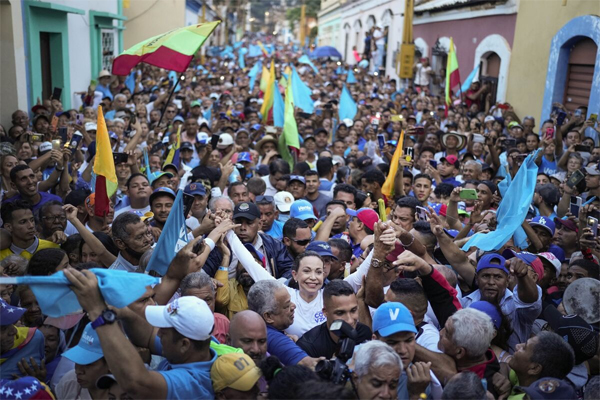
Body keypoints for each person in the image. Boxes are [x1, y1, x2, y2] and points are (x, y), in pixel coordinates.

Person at [65, 267, 218, 399]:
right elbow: (148, 336)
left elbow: (135, 382)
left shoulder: (191, 384)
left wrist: (98, 311)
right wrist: (124, 313)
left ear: (184, 344)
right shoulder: (203, 345)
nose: (158, 335)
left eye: (164, 333)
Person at [372, 302, 443, 399]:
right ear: (375, 340)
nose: (402, 350)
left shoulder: (422, 379)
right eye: (392, 342)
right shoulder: (360, 373)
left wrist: (418, 394)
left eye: (409, 340)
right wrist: (415, 395)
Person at [203, 201, 293, 279]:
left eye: (249, 223)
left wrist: (278, 285)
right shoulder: (220, 245)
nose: (243, 227)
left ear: (260, 224)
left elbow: (289, 270)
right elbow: (205, 273)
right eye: (239, 222)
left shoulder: (274, 245)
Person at [247, 280, 320, 368]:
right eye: (287, 306)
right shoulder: (272, 338)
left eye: (291, 301)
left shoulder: (256, 329)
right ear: (268, 316)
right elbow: (309, 365)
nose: (293, 306)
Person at [297, 280, 372, 359]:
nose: (350, 320)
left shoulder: (364, 333)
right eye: (340, 313)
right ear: (325, 312)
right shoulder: (308, 347)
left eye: (353, 310)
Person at [507, 331, 575, 399]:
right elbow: (506, 367)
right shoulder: (523, 376)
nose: (517, 346)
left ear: (534, 368)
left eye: (524, 348)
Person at [56, 323, 110, 400]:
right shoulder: (69, 382)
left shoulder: (126, 392)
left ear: (110, 364)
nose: (78, 371)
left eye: (88, 364)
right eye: (78, 360)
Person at [0, 299, 45, 379]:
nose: (14, 331)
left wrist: (36, 384)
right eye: (3, 328)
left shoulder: (34, 338)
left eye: (12, 323)